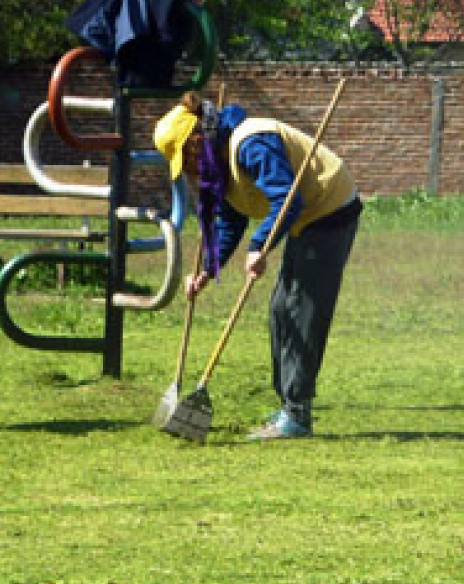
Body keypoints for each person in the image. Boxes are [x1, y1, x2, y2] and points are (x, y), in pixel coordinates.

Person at [154, 90, 362, 440]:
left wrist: (258, 247)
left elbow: (287, 199)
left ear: (196, 141)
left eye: (185, 158)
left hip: (329, 210)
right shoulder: (220, 160)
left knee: (301, 311)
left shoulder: (252, 144)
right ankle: (288, 407)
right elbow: (230, 217)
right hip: (305, 217)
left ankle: (297, 416)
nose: (188, 169)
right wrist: (208, 268)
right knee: (281, 310)